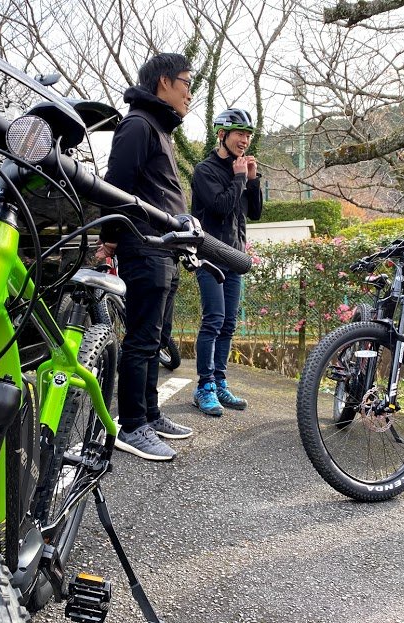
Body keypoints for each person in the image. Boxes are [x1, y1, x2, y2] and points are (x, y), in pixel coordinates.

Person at [98, 53, 195, 461]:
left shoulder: (159, 128)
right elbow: (115, 187)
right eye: (187, 83)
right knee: (140, 339)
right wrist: (110, 242)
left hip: (165, 248)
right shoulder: (137, 125)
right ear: (164, 83)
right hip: (144, 245)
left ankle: (151, 414)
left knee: (155, 339)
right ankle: (131, 424)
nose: (191, 93)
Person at [190, 108, 263, 416]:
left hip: (234, 256)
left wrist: (252, 180)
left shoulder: (241, 171)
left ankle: (220, 383)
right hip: (209, 255)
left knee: (229, 324)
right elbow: (219, 209)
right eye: (239, 134)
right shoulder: (205, 170)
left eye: (248, 135)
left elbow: (255, 213)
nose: (244, 140)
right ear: (222, 134)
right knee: (214, 319)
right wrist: (237, 178)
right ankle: (203, 387)